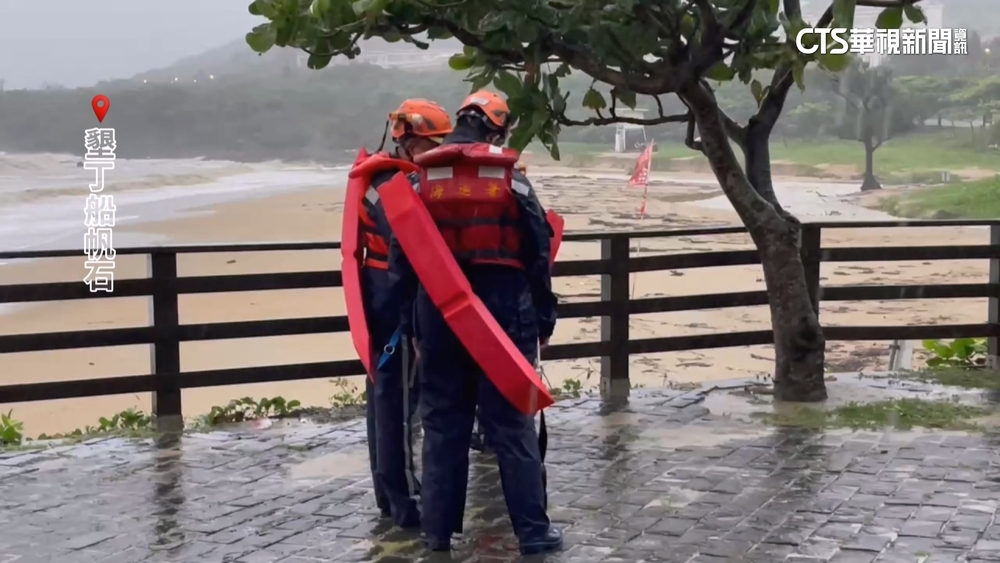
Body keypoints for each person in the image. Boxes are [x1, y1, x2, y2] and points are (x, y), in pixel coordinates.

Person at [386, 91, 562, 555]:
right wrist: (545, 317)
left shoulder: (421, 183)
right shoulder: (513, 182)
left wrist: (413, 328)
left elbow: (400, 265)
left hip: (439, 317)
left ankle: (437, 535)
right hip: (505, 317)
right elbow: (538, 254)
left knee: (443, 427)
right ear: (497, 130)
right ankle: (534, 534)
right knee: (512, 426)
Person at [354, 98, 453, 529]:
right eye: (431, 144)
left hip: (380, 290)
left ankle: (389, 491)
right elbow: (409, 243)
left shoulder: (380, 177)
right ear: (409, 140)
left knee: (385, 394)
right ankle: (404, 497)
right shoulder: (391, 185)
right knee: (397, 397)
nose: (434, 152)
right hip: (392, 294)